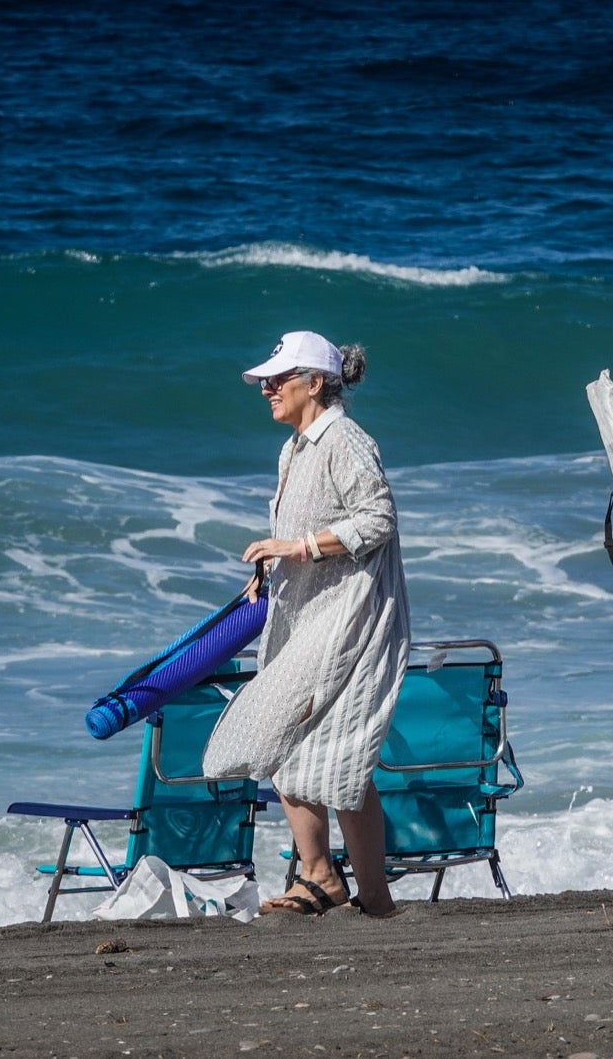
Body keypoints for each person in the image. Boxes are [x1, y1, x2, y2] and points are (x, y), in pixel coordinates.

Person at [201, 330, 410, 919]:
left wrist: (299, 548)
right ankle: (330, 879)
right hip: (307, 612)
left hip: (354, 615)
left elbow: (379, 520)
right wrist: (270, 570)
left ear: (315, 383)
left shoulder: (344, 439)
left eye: (279, 379)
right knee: (287, 737)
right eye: (266, 380)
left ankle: (361, 891)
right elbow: (303, 526)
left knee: (339, 754)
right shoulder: (294, 447)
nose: (266, 388)